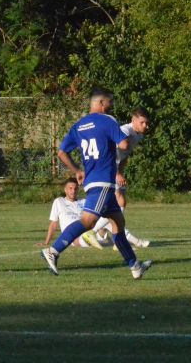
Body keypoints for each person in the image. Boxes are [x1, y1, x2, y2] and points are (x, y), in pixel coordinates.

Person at [40, 87, 152, 279]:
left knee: (118, 223)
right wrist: (120, 141)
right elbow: (124, 144)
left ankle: (135, 266)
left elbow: (61, 152)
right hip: (103, 179)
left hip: (94, 179)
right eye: (110, 101)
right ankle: (53, 251)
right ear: (101, 103)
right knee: (88, 221)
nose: (112, 105)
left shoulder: (79, 125)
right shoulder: (107, 120)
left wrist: (77, 171)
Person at [92, 107, 151, 247]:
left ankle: (103, 233)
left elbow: (125, 156)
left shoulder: (139, 135)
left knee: (113, 205)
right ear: (133, 120)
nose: (146, 126)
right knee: (120, 202)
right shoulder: (124, 131)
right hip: (105, 166)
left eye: (147, 123)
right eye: (142, 122)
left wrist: (121, 171)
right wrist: (117, 173)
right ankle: (93, 232)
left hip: (114, 168)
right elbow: (108, 151)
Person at [36, 178, 112, 249]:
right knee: (78, 239)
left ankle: (116, 238)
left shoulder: (84, 201)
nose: (73, 191)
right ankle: (99, 240)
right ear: (65, 190)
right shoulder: (59, 201)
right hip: (72, 236)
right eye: (70, 188)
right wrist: (46, 242)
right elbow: (53, 224)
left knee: (107, 214)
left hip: (89, 230)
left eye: (75, 188)